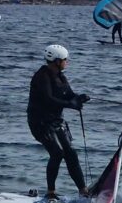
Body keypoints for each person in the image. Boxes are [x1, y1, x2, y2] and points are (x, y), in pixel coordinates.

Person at [27, 44, 91, 201]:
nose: (67, 62)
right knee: (57, 153)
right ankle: (50, 193)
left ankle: (83, 190)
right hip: (40, 122)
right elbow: (49, 99)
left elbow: (68, 94)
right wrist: (70, 105)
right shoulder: (41, 76)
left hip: (56, 121)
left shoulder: (61, 76)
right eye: (64, 60)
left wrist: (78, 98)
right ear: (56, 61)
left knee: (71, 153)